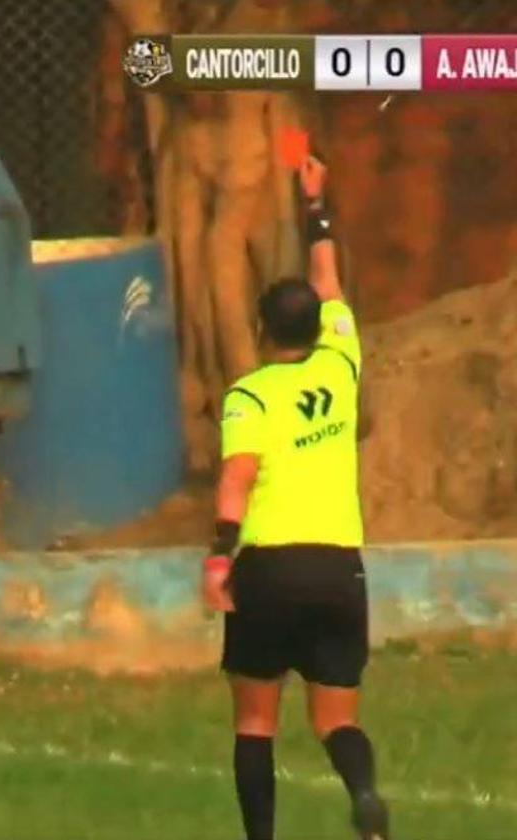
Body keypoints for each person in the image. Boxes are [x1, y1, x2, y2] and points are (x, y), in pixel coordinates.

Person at [201, 157, 390, 840]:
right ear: (317, 325)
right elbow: (328, 278)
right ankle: (365, 797)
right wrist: (316, 204)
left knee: (256, 721)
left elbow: (237, 478)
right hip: (340, 568)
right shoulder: (341, 364)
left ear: (261, 329)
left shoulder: (250, 395)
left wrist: (221, 557)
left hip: (270, 569)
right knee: (338, 719)